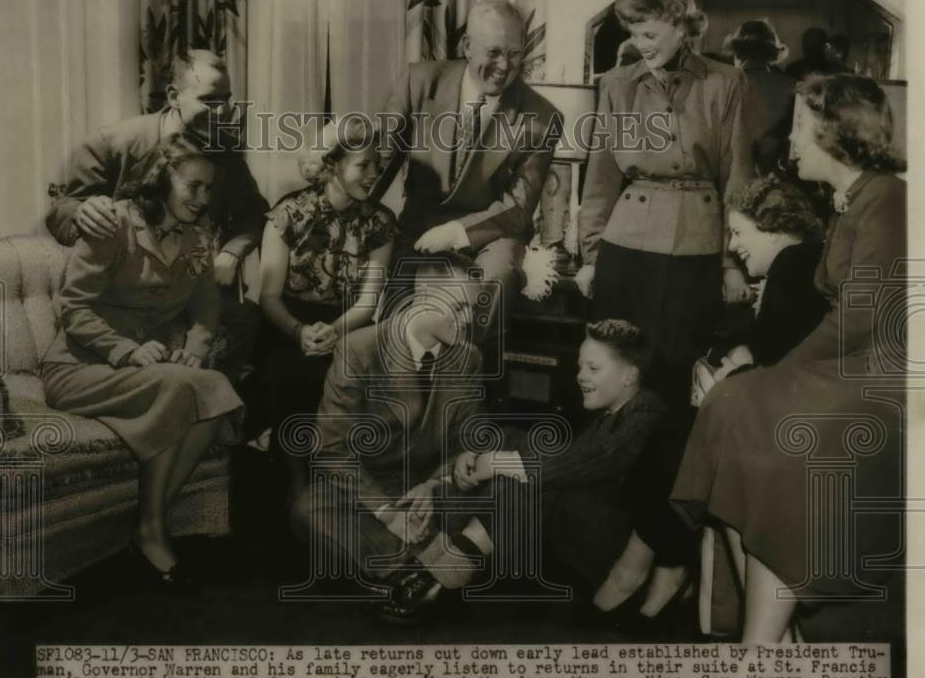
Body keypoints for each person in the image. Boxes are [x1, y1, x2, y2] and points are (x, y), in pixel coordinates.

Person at [671, 74, 906, 642]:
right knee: (732, 407)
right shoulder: (850, 203)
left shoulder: (888, 197)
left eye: (800, 124)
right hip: (849, 367)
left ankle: (763, 649)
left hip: (882, 377)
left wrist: (785, 373)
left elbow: (860, 314)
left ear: (835, 131)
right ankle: (768, 645)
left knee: (746, 403)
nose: (790, 138)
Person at [40, 133, 244, 593]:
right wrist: (128, 350)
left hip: (147, 370)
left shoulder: (198, 237)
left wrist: (196, 343)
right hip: (80, 367)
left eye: (209, 188)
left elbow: (207, 308)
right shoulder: (113, 225)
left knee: (215, 388)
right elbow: (74, 309)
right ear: (160, 182)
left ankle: (147, 524)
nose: (202, 198)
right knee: (179, 388)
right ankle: (151, 533)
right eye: (193, 186)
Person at [293, 253, 506, 624]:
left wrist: (434, 484)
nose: (468, 319)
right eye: (458, 306)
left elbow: (470, 441)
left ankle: (410, 574)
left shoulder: (469, 357)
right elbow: (332, 452)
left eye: (471, 307)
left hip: (431, 490)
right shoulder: (357, 349)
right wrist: (389, 514)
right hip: (370, 489)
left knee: (503, 481)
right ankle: (441, 568)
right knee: (309, 509)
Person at [574, 0, 753, 410]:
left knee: (676, 370)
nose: (642, 43)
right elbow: (600, 179)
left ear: (680, 24)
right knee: (614, 370)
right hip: (625, 246)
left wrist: (731, 263)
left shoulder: (726, 83)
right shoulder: (617, 84)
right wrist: (592, 256)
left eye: (650, 33)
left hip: (696, 247)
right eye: (634, 33)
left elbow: (737, 179)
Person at [45, 49, 270, 382]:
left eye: (227, 99)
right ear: (173, 96)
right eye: (210, 99)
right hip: (121, 298)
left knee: (249, 322)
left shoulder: (225, 152)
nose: (222, 111)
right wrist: (81, 210)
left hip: (185, 293)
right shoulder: (110, 143)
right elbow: (60, 208)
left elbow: (255, 213)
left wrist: (231, 252)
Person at [373, 0, 562, 340]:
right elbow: (379, 163)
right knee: (395, 327)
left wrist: (457, 231)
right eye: (494, 52)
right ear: (467, 46)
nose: (505, 65)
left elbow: (519, 208)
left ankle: (468, 385)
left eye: (516, 53)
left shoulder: (543, 117)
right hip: (419, 225)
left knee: (494, 282)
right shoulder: (419, 81)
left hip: (494, 233)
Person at [460, 320, 672, 617]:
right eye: (580, 366)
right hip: (577, 538)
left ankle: (453, 564)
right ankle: (456, 556)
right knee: (532, 445)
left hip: (611, 551)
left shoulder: (648, 408)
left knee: (531, 477)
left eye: (593, 368)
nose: (580, 376)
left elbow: (601, 456)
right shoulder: (611, 411)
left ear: (630, 375)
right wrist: (480, 451)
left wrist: (501, 463)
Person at [253, 121, 396, 480]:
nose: (374, 174)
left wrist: (331, 332)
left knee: (355, 372)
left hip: (350, 325)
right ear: (332, 165)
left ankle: (340, 480)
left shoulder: (380, 222)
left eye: (377, 164)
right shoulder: (287, 214)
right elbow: (268, 296)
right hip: (287, 324)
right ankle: (293, 485)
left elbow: (368, 302)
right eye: (364, 165)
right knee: (287, 374)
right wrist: (299, 331)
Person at [691, 175, 830, 402]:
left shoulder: (791, 264)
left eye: (737, 232)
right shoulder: (803, 261)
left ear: (773, 229)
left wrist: (735, 372)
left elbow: (777, 360)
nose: (732, 246)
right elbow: (766, 338)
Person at [723, 19, 796, 175]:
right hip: (773, 178)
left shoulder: (721, 85)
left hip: (729, 176)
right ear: (772, 54)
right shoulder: (792, 87)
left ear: (737, 51)